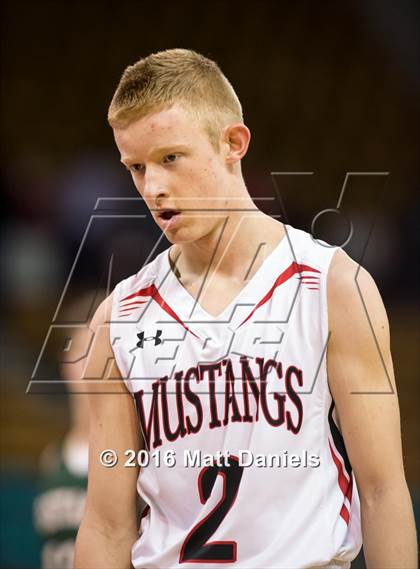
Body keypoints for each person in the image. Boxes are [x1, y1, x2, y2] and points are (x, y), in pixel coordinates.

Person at [75, 49, 417, 568]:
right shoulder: (120, 316)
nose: (154, 187)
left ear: (233, 143)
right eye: (136, 167)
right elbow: (106, 525)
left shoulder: (332, 285)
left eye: (171, 158)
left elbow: (383, 489)